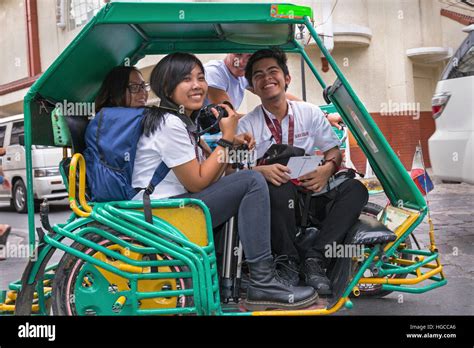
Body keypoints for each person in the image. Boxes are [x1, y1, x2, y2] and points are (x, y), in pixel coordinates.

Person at [131, 52, 318, 311]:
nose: (197, 85)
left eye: (200, 78)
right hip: (166, 211)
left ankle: (233, 280)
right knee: (252, 182)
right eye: (186, 79)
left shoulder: (183, 123)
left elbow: (220, 174)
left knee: (248, 180)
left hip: (176, 206)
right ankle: (263, 282)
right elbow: (199, 182)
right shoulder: (169, 124)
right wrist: (227, 138)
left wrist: (231, 147)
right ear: (167, 86)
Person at [238, 48, 369, 295]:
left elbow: (333, 151)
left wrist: (327, 170)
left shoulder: (309, 112)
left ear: (287, 78)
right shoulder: (247, 124)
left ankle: (315, 259)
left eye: (273, 71)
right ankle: (287, 262)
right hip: (276, 202)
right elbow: (237, 170)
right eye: (258, 75)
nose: (267, 78)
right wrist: (260, 170)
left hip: (311, 193)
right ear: (253, 87)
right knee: (275, 180)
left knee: (356, 190)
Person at [205, 53, 343, 128]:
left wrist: (322, 115)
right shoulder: (215, 73)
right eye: (237, 54)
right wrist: (270, 117)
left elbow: (281, 95)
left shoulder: (242, 77)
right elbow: (229, 115)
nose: (241, 62)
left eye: (247, 58)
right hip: (205, 137)